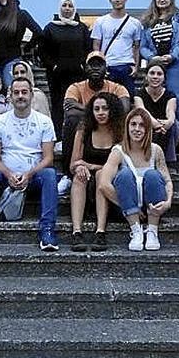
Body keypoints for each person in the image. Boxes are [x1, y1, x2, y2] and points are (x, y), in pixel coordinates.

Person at [0, 77, 59, 252]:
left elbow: (48, 158)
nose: (20, 96)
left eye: (24, 92)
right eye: (16, 92)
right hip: (5, 175)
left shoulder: (44, 122)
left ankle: (48, 230)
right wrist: (9, 174)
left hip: (34, 176)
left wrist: (28, 174)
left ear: (32, 94)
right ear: (9, 96)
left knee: (50, 174)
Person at [97, 108, 173, 251]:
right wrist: (131, 207)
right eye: (133, 124)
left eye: (142, 125)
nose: (137, 129)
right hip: (127, 207)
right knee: (124, 174)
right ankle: (136, 231)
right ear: (127, 127)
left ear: (148, 129)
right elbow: (104, 185)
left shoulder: (156, 150)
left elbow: (167, 181)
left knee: (152, 175)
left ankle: (152, 231)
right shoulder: (118, 151)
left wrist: (168, 203)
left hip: (152, 206)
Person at [62, 51, 131, 183]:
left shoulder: (117, 88)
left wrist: (87, 110)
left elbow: (124, 109)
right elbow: (69, 110)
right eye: (91, 65)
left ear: (106, 68)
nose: (95, 68)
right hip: (86, 132)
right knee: (72, 120)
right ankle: (68, 175)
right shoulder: (75, 87)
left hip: (110, 132)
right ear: (84, 67)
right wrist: (105, 112)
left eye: (99, 65)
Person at [68, 92, 124, 252]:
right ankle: (76, 232)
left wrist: (91, 166)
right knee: (79, 176)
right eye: (96, 109)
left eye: (105, 109)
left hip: (111, 179)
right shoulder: (84, 129)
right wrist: (80, 167)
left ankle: (100, 231)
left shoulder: (119, 131)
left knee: (101, 175)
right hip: (87, 179)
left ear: (112, 110)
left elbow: (123, 165)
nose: (100, 113)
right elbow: (74, 163)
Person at [40, 0, 91, 137]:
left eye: (70, 6)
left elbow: (88, 49)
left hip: (77, 74)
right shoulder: (50, 28)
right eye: (64, 5)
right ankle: (58, 135)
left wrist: (82, 65)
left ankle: (79, 135)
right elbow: (43, 51)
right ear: (60, 8)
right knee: (58, 105)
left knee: (77, 103)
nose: (67, 8)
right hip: (57, 75)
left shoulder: (81, 28)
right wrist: (53, 66)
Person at [139, 0, 179, 122]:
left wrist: (173, 55)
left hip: (175, 64)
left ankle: (176, 130)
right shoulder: (147, 20)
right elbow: (142, 46)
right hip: (155, 65)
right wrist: (152, 57)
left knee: (177, 97)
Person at [91, 0, 143, 96]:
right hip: (108, 66)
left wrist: (136, 66)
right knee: (107, 101)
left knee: (128, 100)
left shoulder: (135, 23)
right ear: (110, 0)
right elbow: (96, 45)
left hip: (126, 66)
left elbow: (136, 46)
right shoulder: (101, 21)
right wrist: (100, 66)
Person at [0, 0, 43, 86]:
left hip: (12, 59)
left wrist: (28, 47)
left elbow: (39, 32)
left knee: (12, 89)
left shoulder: (21, 15)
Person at [133, 59, 179, 164]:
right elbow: (143, 111)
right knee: (141, 123)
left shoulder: (170, 95)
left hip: (166, 131)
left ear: (164, 78)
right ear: (146, 76)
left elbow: (171, 113)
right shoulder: (138, 94)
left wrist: (168, 123)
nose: (155, 76)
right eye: (152, 73)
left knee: (175, 125)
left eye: (159, 74)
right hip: (148, 127)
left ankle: (169, 161)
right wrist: (158, 125)